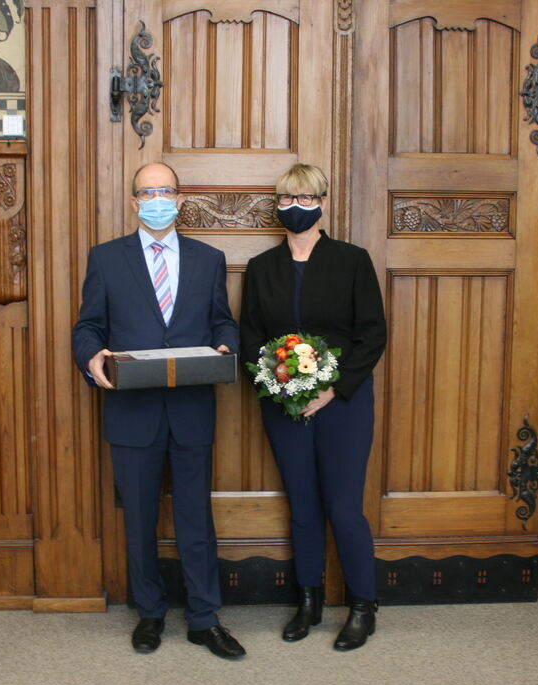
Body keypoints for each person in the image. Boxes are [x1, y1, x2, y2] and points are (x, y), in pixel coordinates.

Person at [71, 162, 244, 659]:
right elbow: (88, 327)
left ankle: (204, 619)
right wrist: (91, 356)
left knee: (196, 520)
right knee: (139, 520)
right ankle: (149, 613)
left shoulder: (209, 259)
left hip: (192, 411)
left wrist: (226, 346)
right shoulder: (106, 258)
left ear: (180, 199)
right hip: (132, 413)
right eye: (147, 192)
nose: (157, 199)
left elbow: (222, 322)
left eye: (165, 190)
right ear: (134, 202)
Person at [238, 164, 387, 650]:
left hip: (343, 402)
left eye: (305, 198)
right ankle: (308, 602)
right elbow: (250, 337)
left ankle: (363, 606)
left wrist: (332, 389)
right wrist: (278, 385)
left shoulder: (352, 260)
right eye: (286, 199)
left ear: (322, 202)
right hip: (284, 403)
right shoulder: (262, 268)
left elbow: (373, 334)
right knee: (302, 507)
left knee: (343, 508)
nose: (295, 207)